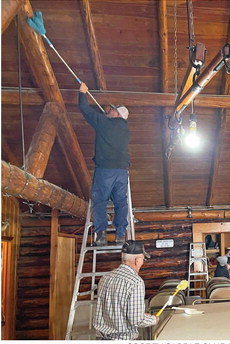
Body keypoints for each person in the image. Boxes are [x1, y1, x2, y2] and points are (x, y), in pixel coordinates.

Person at [79, 82, 130, 246]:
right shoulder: (126, 130)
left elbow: (85, 110)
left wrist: (82, 93)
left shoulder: (105, 123)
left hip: (105, 170)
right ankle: (121, 235)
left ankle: (100, 236)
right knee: (120, 202)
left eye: (112, 110)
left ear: (117, 114)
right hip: (122, 171)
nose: (109, 111)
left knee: (100, 201)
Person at [93, 240, 158, 340]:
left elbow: (113, 309)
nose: (142, 263)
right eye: (143, 259)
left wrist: (141, 314)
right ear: (137, 260)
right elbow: (136, 320)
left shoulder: (105, 277)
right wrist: (154, 319)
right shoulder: (135, 282)